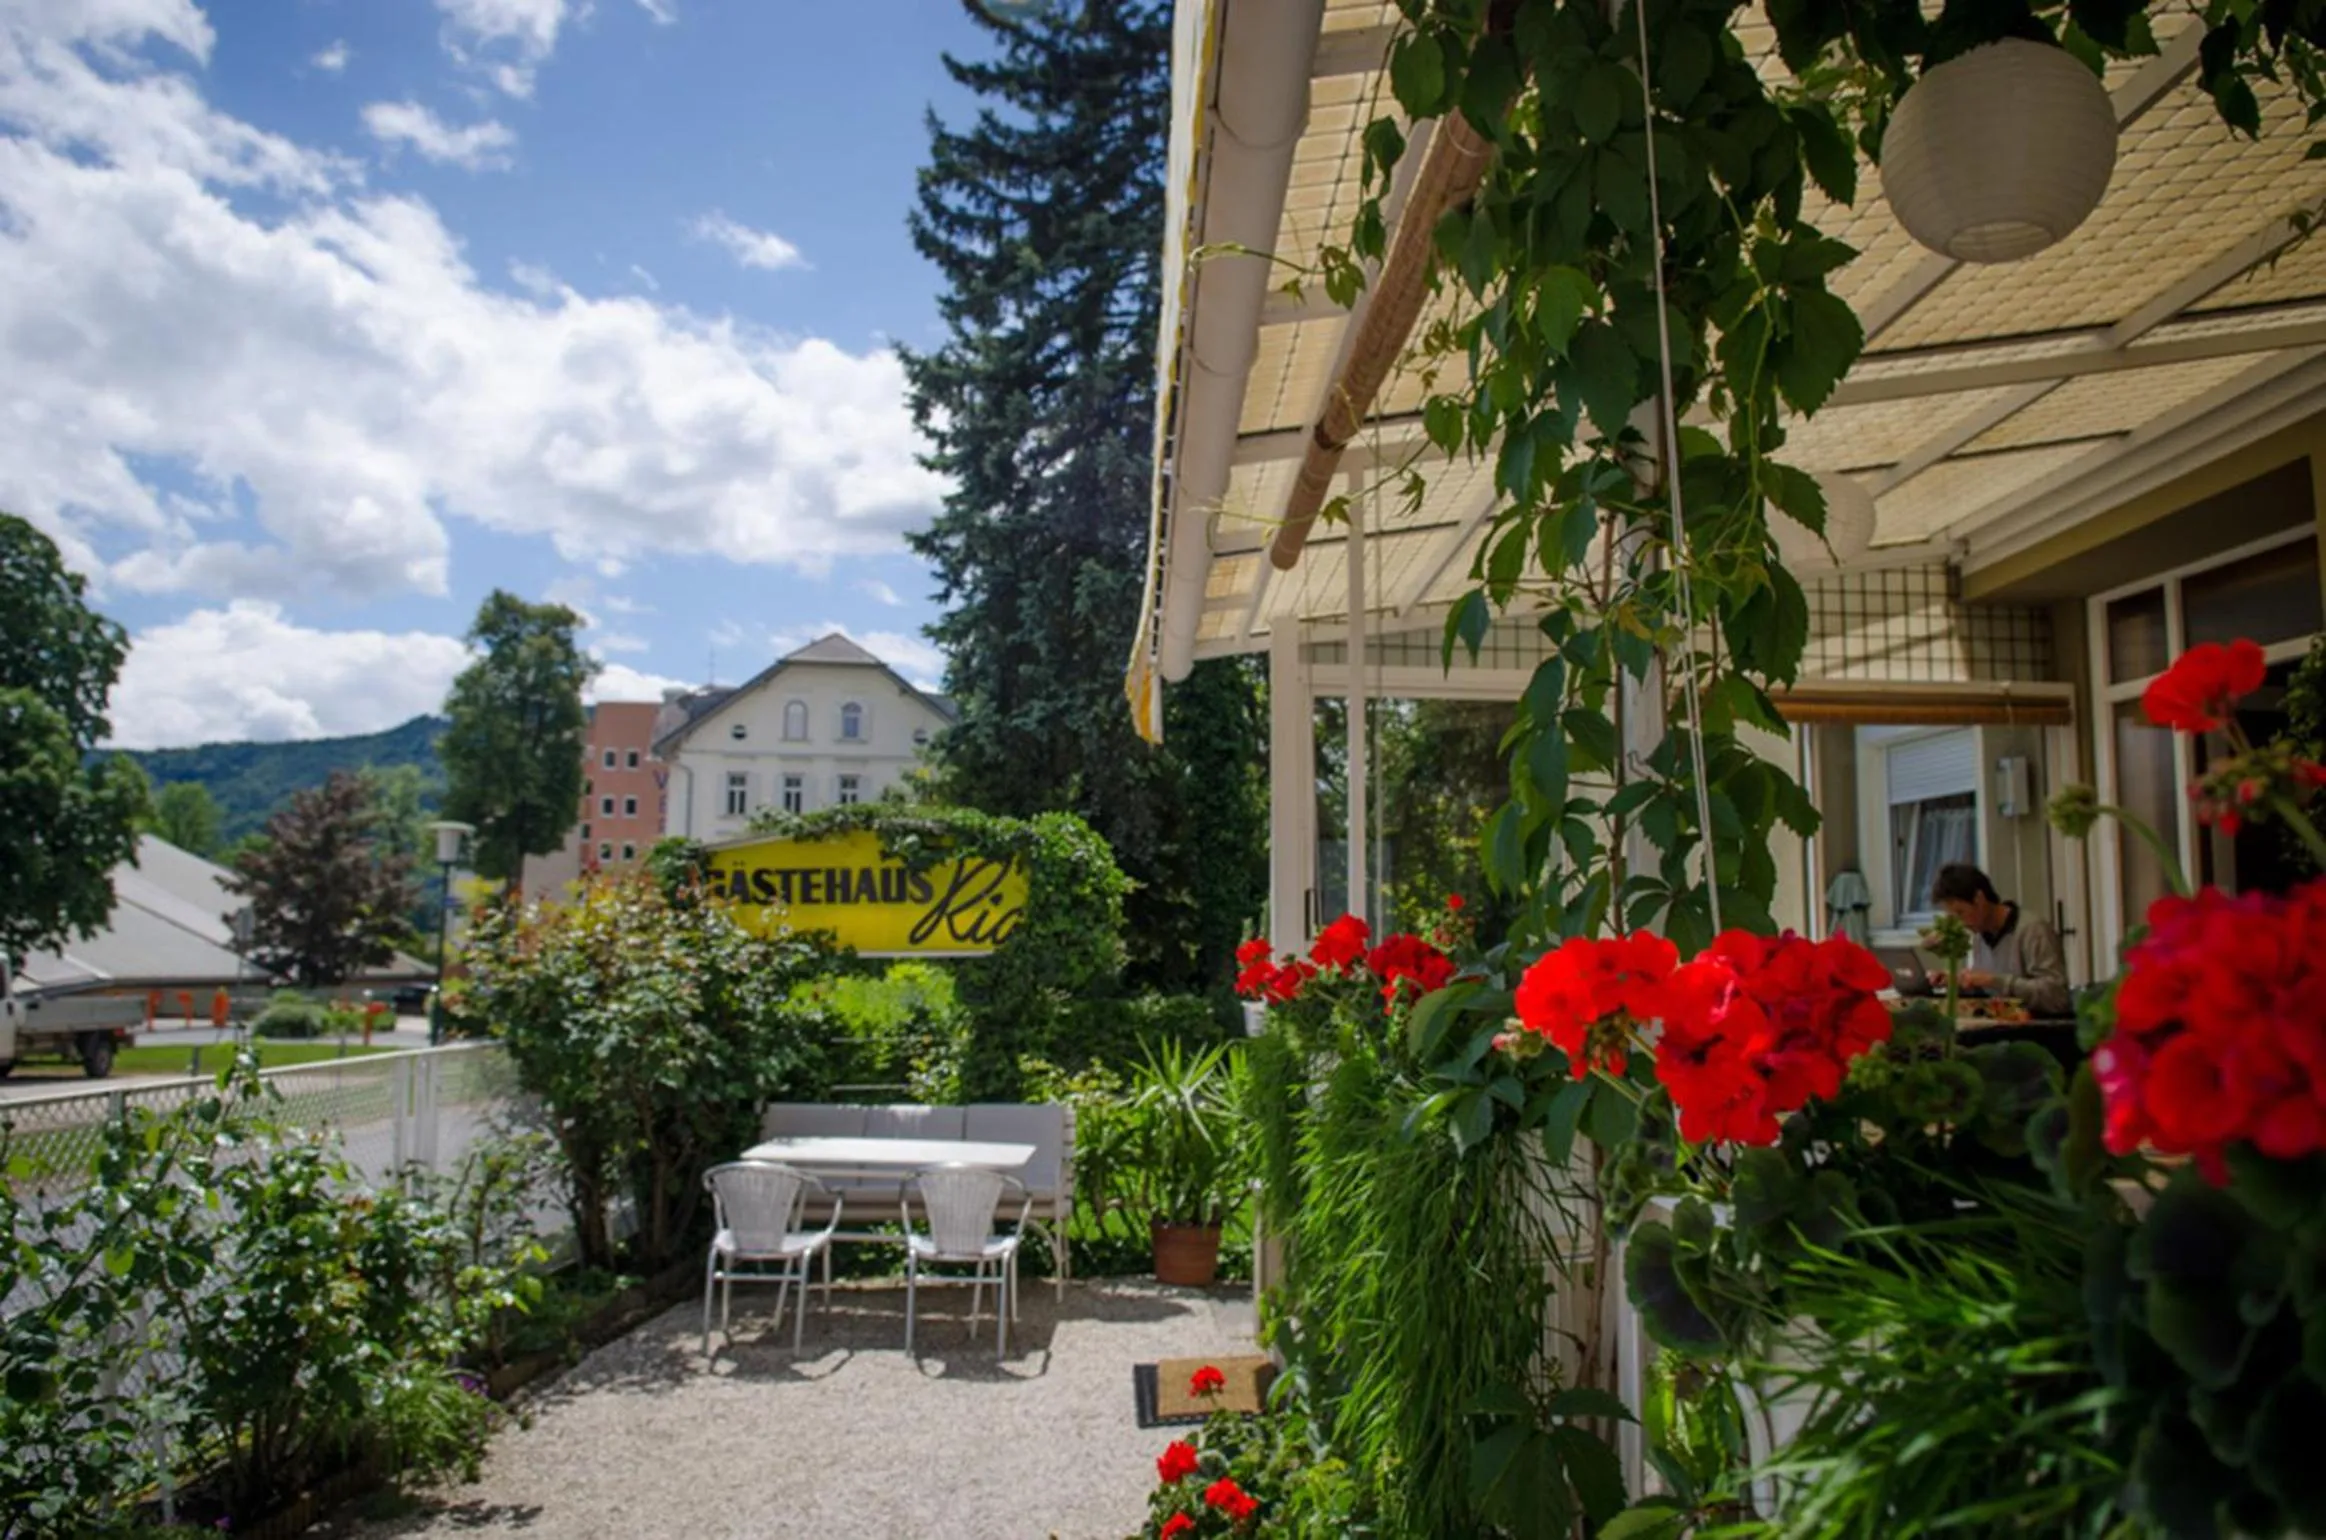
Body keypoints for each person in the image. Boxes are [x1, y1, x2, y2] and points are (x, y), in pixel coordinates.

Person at [1925, 863, 2072, 1018]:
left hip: (2038, 1028)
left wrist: (1994, 980)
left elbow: (2056, 997)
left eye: (1961, 913)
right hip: (1999, 1024)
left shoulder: (2032, 930)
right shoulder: (1979, 937)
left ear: (1979, 899)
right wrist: (1960, 981)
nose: (1960, 923)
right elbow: (1986, 991)